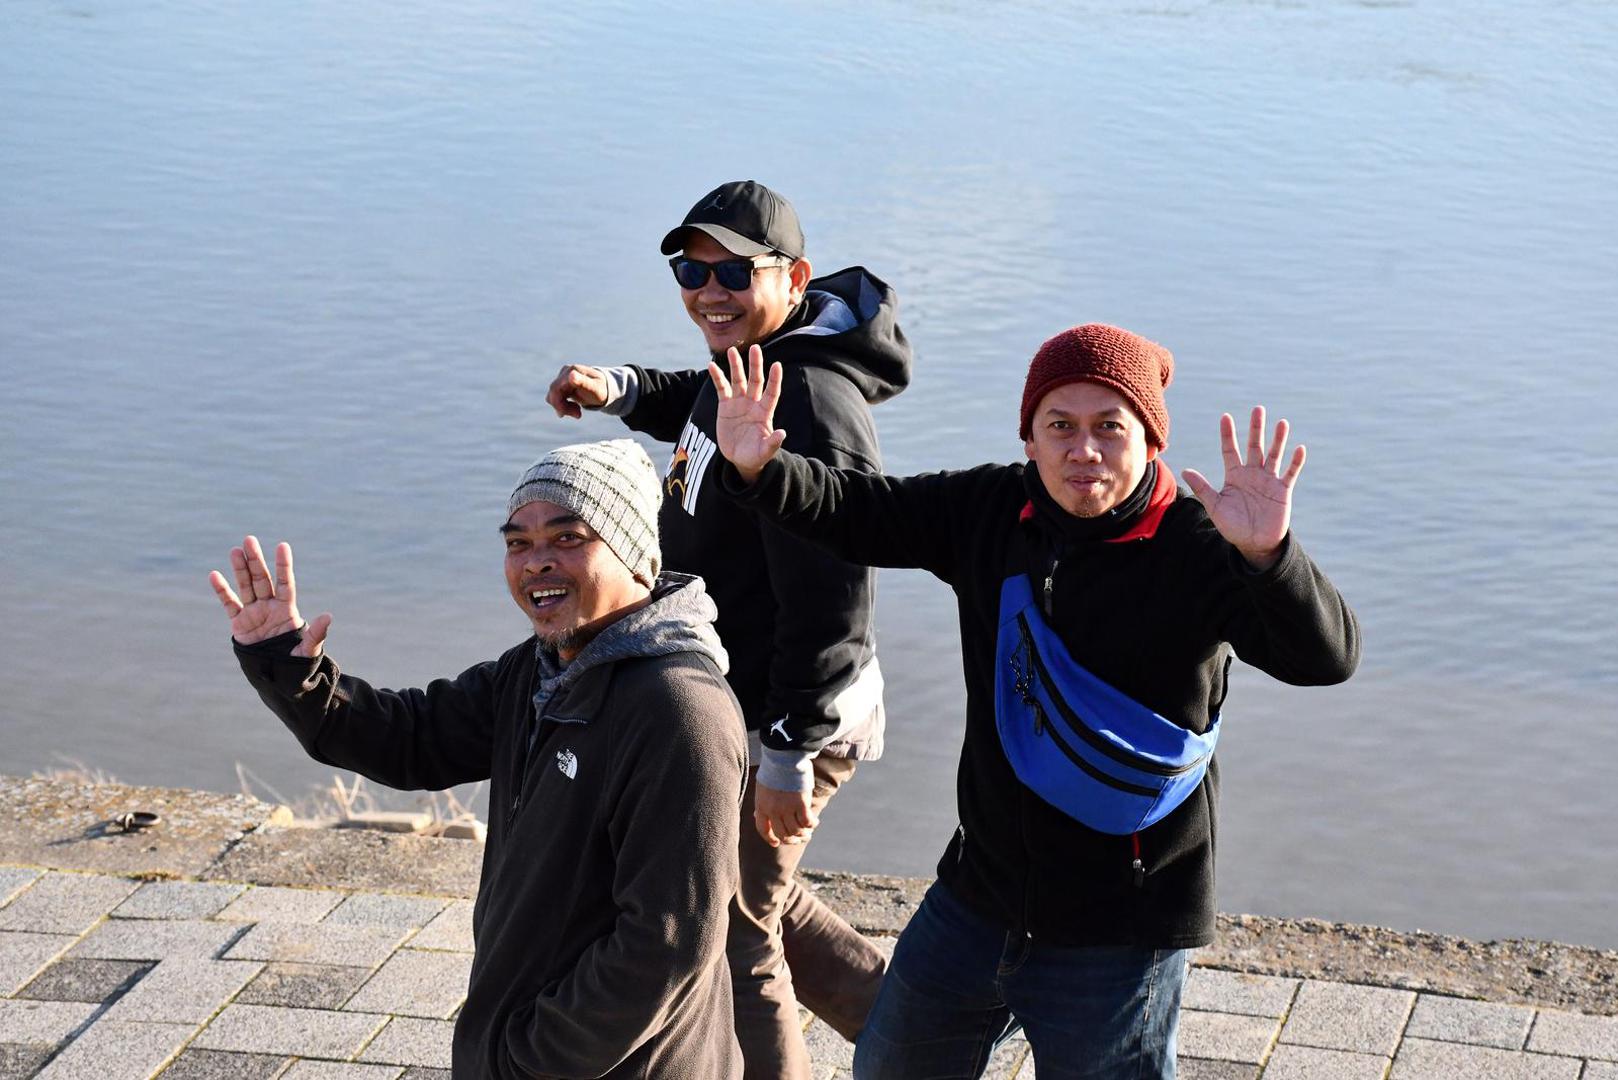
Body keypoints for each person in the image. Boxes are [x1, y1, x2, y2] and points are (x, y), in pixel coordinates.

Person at [706, 325, 1362, 1079]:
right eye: (1060, 427)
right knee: (891, 1066)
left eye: (1109, 427)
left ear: (1150, 439)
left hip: (1119, 923)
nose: (1082, 450)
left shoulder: (1198, 546)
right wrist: (761, 471)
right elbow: (861, 511)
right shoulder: (992, 510)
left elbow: (1325, 660)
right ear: (1030, 440)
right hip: (980, 896)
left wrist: (1270, 559)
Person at [208, 439, 747, 1080]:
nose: (535, 564)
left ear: (633, 552)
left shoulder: (678, 712)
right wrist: (287, 665)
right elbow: (412, 739)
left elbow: (665, 945)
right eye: (517, 543)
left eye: (568, 538)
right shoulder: (540, 670)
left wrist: (528, 1057)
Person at [546, 180, 909, 1076]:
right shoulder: (753, 362)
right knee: (758, 897)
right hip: (741, 698)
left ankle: (915, 1032)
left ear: (794, 277)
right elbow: (700, 402)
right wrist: (623, 389)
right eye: (689, 268)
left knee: (735, 929)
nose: (708, 290)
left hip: (792, 711)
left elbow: (835, 598)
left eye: (733, 273)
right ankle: (925, 1026)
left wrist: (787, 754)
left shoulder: (810, 403)